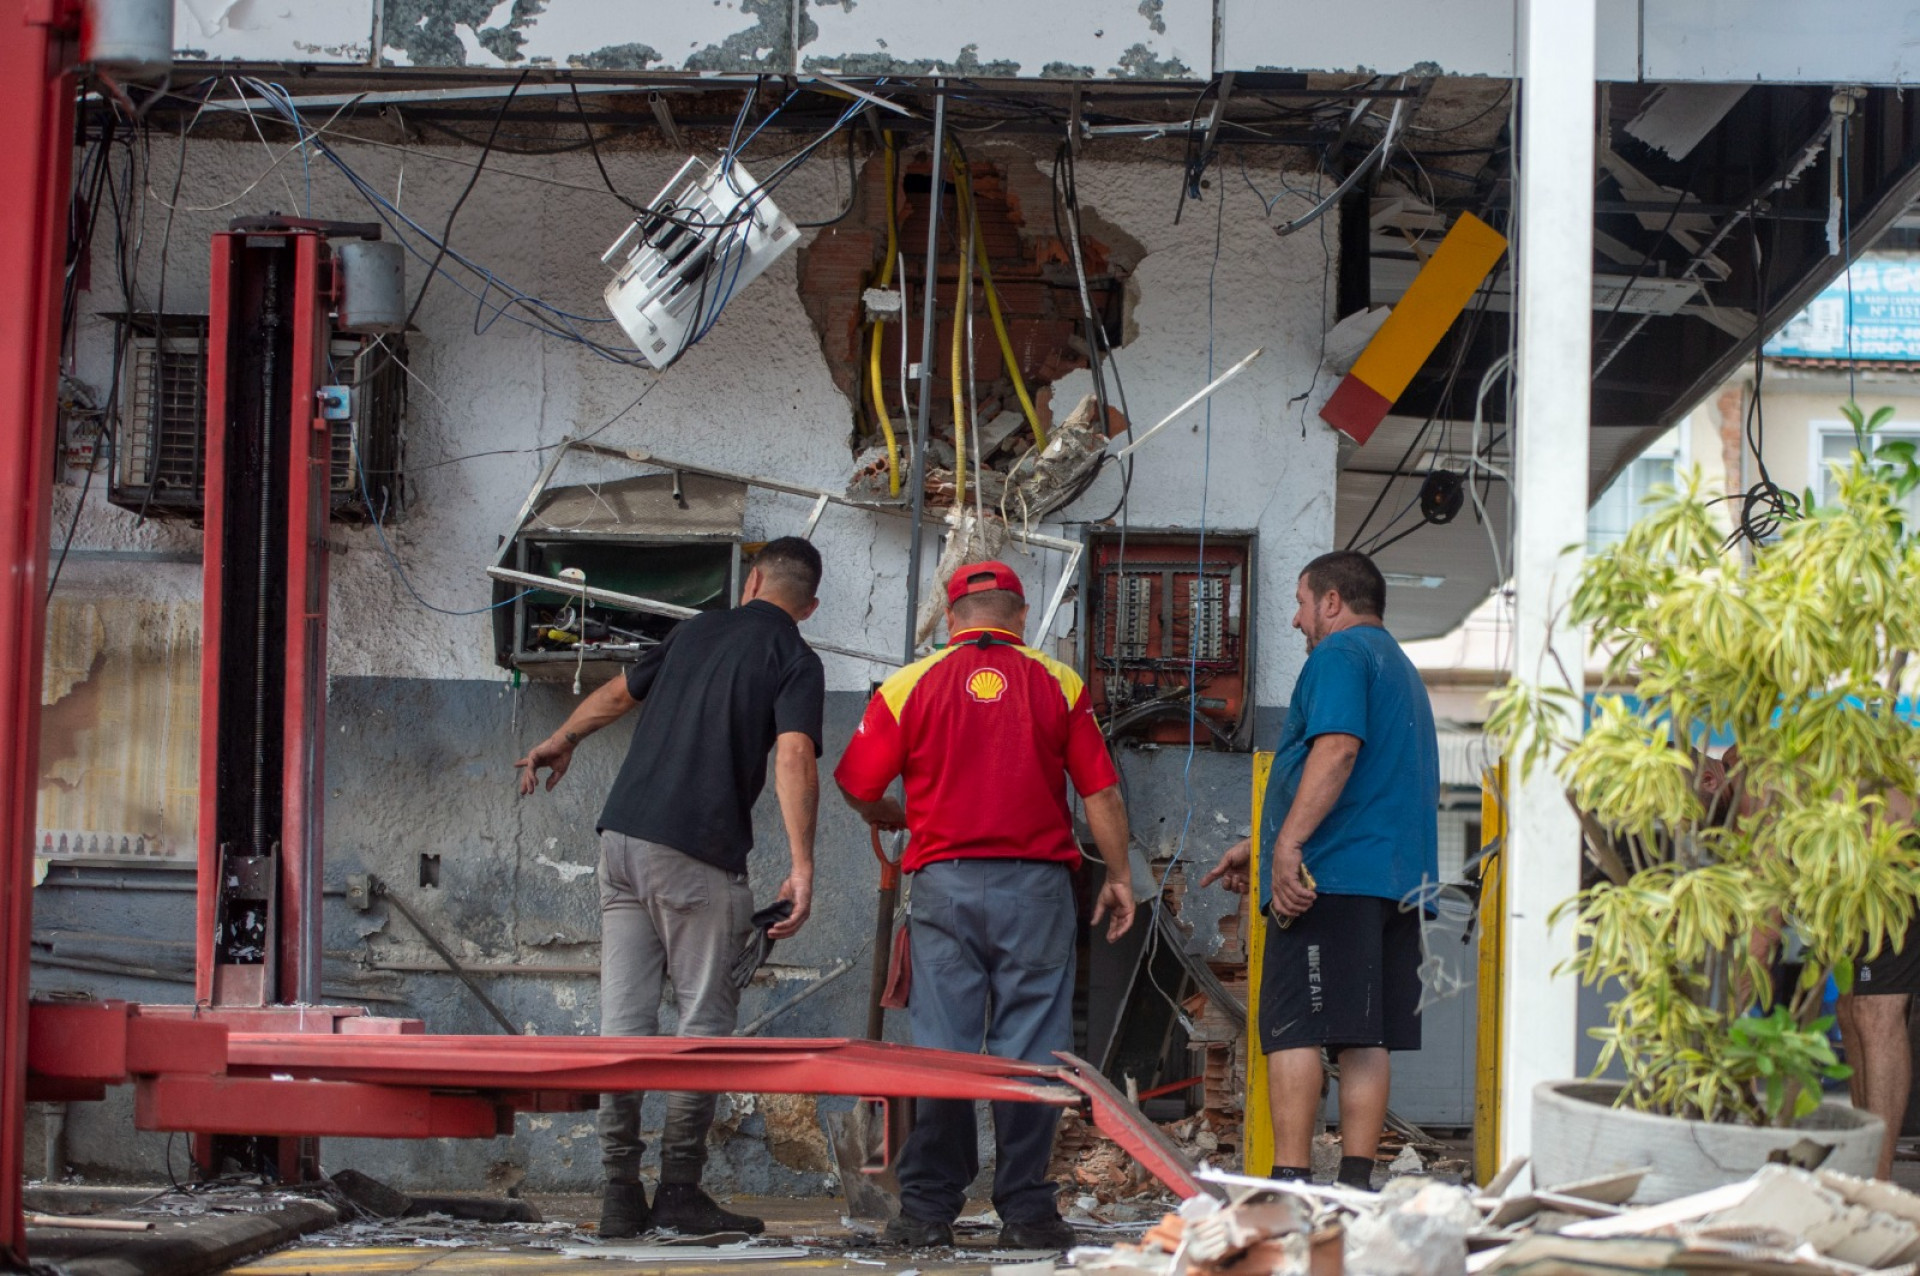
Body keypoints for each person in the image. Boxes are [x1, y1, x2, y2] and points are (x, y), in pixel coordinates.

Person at [514, 537, 826, 1238]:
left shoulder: (692, 632)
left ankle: (617, 1192)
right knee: (704, 1025)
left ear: (751, 582)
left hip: (621, 841)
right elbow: (796, 755)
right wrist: (802, 866)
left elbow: (618, 695)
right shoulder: (795, 659)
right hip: (697, 852)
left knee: (622, 1024)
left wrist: (563, 739)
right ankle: (679, 1190)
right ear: (807, 606)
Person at [834, 561, 1137, 1252]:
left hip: (945, 884)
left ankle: (928, 1211)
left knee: (942, 1049)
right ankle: (1027, 1213)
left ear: (950, 619)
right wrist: (1120, 874)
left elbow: (855, 782)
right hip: (1036, 890)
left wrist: (884, 812)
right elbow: (1102, 795)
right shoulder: (1059, 683)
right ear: (1022, 618)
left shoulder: (910, 685)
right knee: (1032, 1052)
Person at [1200, 550, 1438, 1191]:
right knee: (1365, 1035)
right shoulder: (1401, 670)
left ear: (1332, 601)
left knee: (1293, 1029)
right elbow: (1365, 783)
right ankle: (1356, 1185)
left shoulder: (1340, 654)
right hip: (1395, 883)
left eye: (1302, 602)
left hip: (1328, 882)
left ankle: (1291, 1185)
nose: (1295, 619)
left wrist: (1288, 849)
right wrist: (1265, 840)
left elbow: (1336, 750)